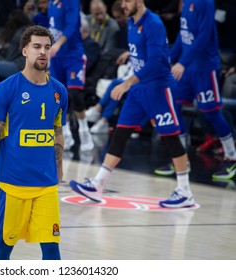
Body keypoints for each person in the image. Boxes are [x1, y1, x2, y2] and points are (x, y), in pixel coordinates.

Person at [70, 0, 195, 208]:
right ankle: (98, 184)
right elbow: (142, 53)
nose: (123, 5)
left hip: (158, 88)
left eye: (127, 1)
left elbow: (156, 62)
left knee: (170, 137)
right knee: (120, 132)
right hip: (139, 89)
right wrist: (130, 57)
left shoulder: (154, 24)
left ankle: (184, 191)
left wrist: (127, 82)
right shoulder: (130, 22)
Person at [0, 25, 68, 260]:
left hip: (46, 185)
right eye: (37, 47)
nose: (43, 52)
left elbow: (57, 132)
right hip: (12, 185)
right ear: (24, 50)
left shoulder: (59, 92)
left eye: (47, 47)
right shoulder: (6, 90)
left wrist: (59, 166)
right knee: (4, 247)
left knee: (52, 248)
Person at [154, 0, 236, 180]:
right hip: (188, 67)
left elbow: (204, 36)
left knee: (211, 112)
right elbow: (183, 38)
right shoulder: (186, 1)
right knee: (173, 106)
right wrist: (168, 60)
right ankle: (180, 159)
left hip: (205, 67)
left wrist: (182, 62)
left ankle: (232, 157)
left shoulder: (205, 2)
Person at [48, 0, 94, 152]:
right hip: (56, 57)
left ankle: (84, 131)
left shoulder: (71, 2)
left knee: (74, 93)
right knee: (58, 96)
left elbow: (71, 26)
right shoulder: (51, 3)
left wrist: (58, 44)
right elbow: (52, 28)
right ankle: (66, 135)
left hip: (73, 55)